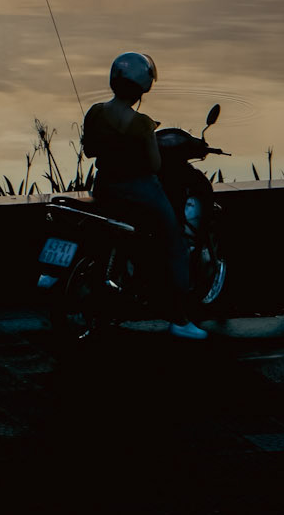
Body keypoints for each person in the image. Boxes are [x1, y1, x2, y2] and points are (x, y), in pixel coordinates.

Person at [81, 51, 207, 340]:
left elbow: (89, 150)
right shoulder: (142, 124)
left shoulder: (95, 112)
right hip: (139, 192)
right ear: (142, 88)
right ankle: (179, 319)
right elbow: (154, 165)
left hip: (104, 187)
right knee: (174, 244)